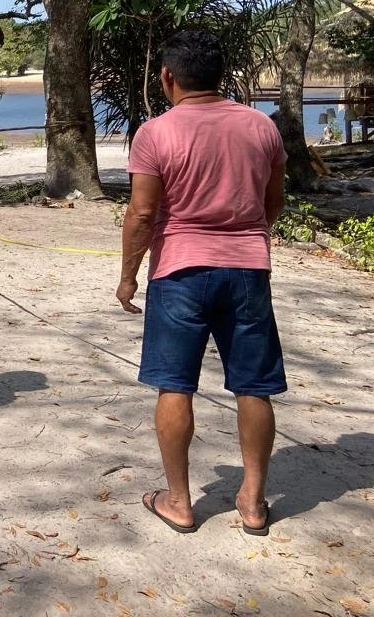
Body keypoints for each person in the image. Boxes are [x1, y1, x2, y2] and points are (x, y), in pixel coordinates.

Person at [116, 29, 287, 536]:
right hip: (248, 269)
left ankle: (180, 501)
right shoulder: (261, 127)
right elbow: (272, 201)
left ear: (167, 76)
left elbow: (143, 212)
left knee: (175, 384)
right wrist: (246, 236)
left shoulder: (156, 133)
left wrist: (128, 276)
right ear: (221, 74)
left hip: (179, 272)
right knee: (254, 387)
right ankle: (253, 503)